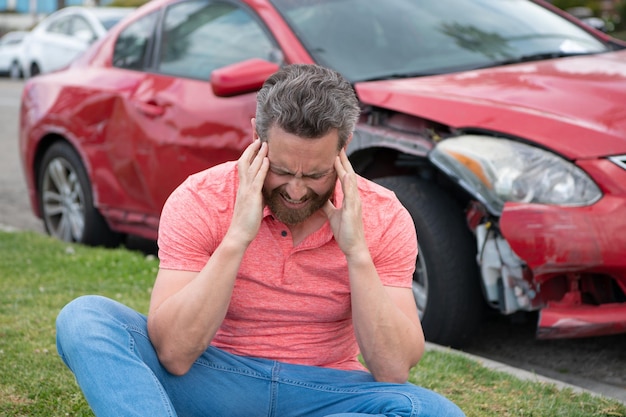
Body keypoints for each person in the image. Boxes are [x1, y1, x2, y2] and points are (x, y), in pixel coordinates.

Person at [56, 64, 465, 417]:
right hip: (213, 378)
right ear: (255, 134)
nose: (297, 190)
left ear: (345, 146)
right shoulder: (200, 199)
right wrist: (236, 238)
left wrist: (357, 254)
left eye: (316, 174)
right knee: (86, 319)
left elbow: (392, 370)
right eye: (282, 169)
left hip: (324, 393)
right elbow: (174, 354)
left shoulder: (384, 215)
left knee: (433, 411)